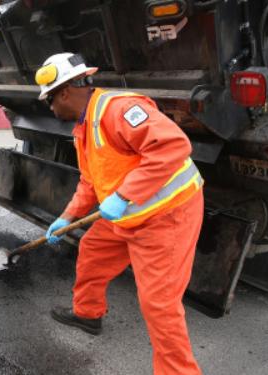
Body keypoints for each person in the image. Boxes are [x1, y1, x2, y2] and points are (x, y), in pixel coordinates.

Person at [37, 53, 204, 375]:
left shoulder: (120, 110)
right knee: (93, 251)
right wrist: (67, 217)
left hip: (166, 216)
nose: (51, 108)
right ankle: (88, 314)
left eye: (49, 101)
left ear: (65, 93)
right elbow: (91, 180)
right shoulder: (85, 127)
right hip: (126, 215)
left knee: (159, 305)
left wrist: (123, 196)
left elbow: (172, 147)